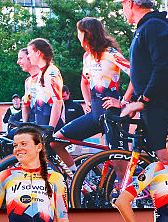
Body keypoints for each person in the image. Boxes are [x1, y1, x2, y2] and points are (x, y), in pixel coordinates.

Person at [118, 0, 168, 163]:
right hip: (154, 104)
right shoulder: (147, 26)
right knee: (161, 162)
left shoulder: (154, 26)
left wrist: (143, 100)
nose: (123, 10)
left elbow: (163, 67)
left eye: (123, 5)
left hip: (161, 103)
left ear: (130, 4)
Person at [55, 17, 132, 166]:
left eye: (79, 32)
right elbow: (84, 82)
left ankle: (127, 188)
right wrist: (88, 102)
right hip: (94, 114)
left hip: (112, 115)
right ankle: (80, 184)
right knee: (56, 141)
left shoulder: (110, 53)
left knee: (119, 168)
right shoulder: (87, 57)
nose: (78, 36)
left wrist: (123, 102)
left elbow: (135, 75)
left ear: (87, 34)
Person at [21, 39, 64, 129]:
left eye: (29, 53)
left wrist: (50, 129)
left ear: (38, 53)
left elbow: (58, 102)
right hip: (41, 123)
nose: (28, 56)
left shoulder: (51, 71)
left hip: (50, 125)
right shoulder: (41, 72)